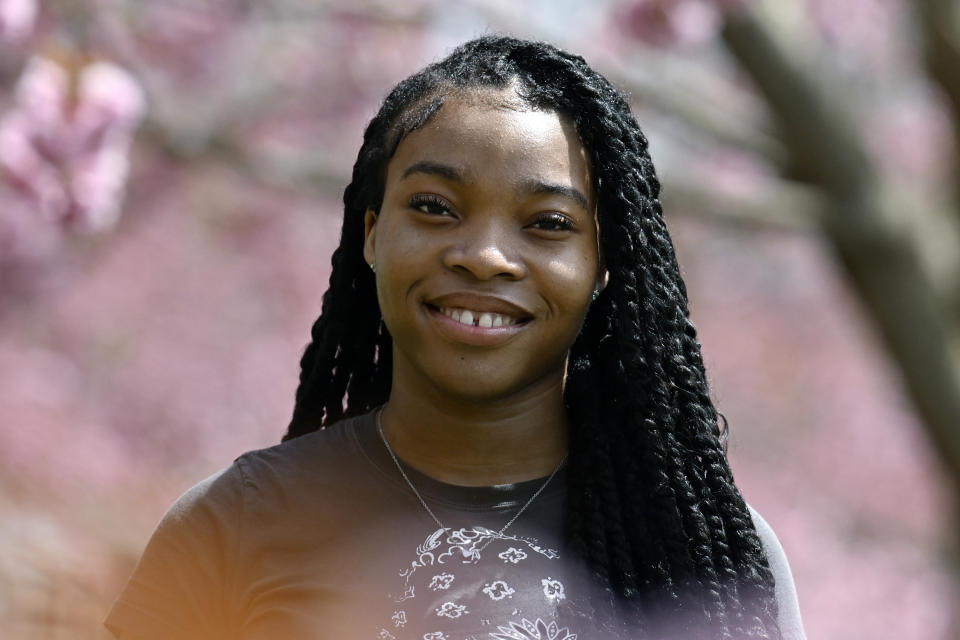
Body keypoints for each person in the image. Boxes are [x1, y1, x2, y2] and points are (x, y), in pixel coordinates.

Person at [105, 36, 805, 640]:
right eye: (435, 208)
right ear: (373, 234)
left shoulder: (705, 551)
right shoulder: (230, 528)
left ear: (603, 270)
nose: (484, 256)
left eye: (548, 223)